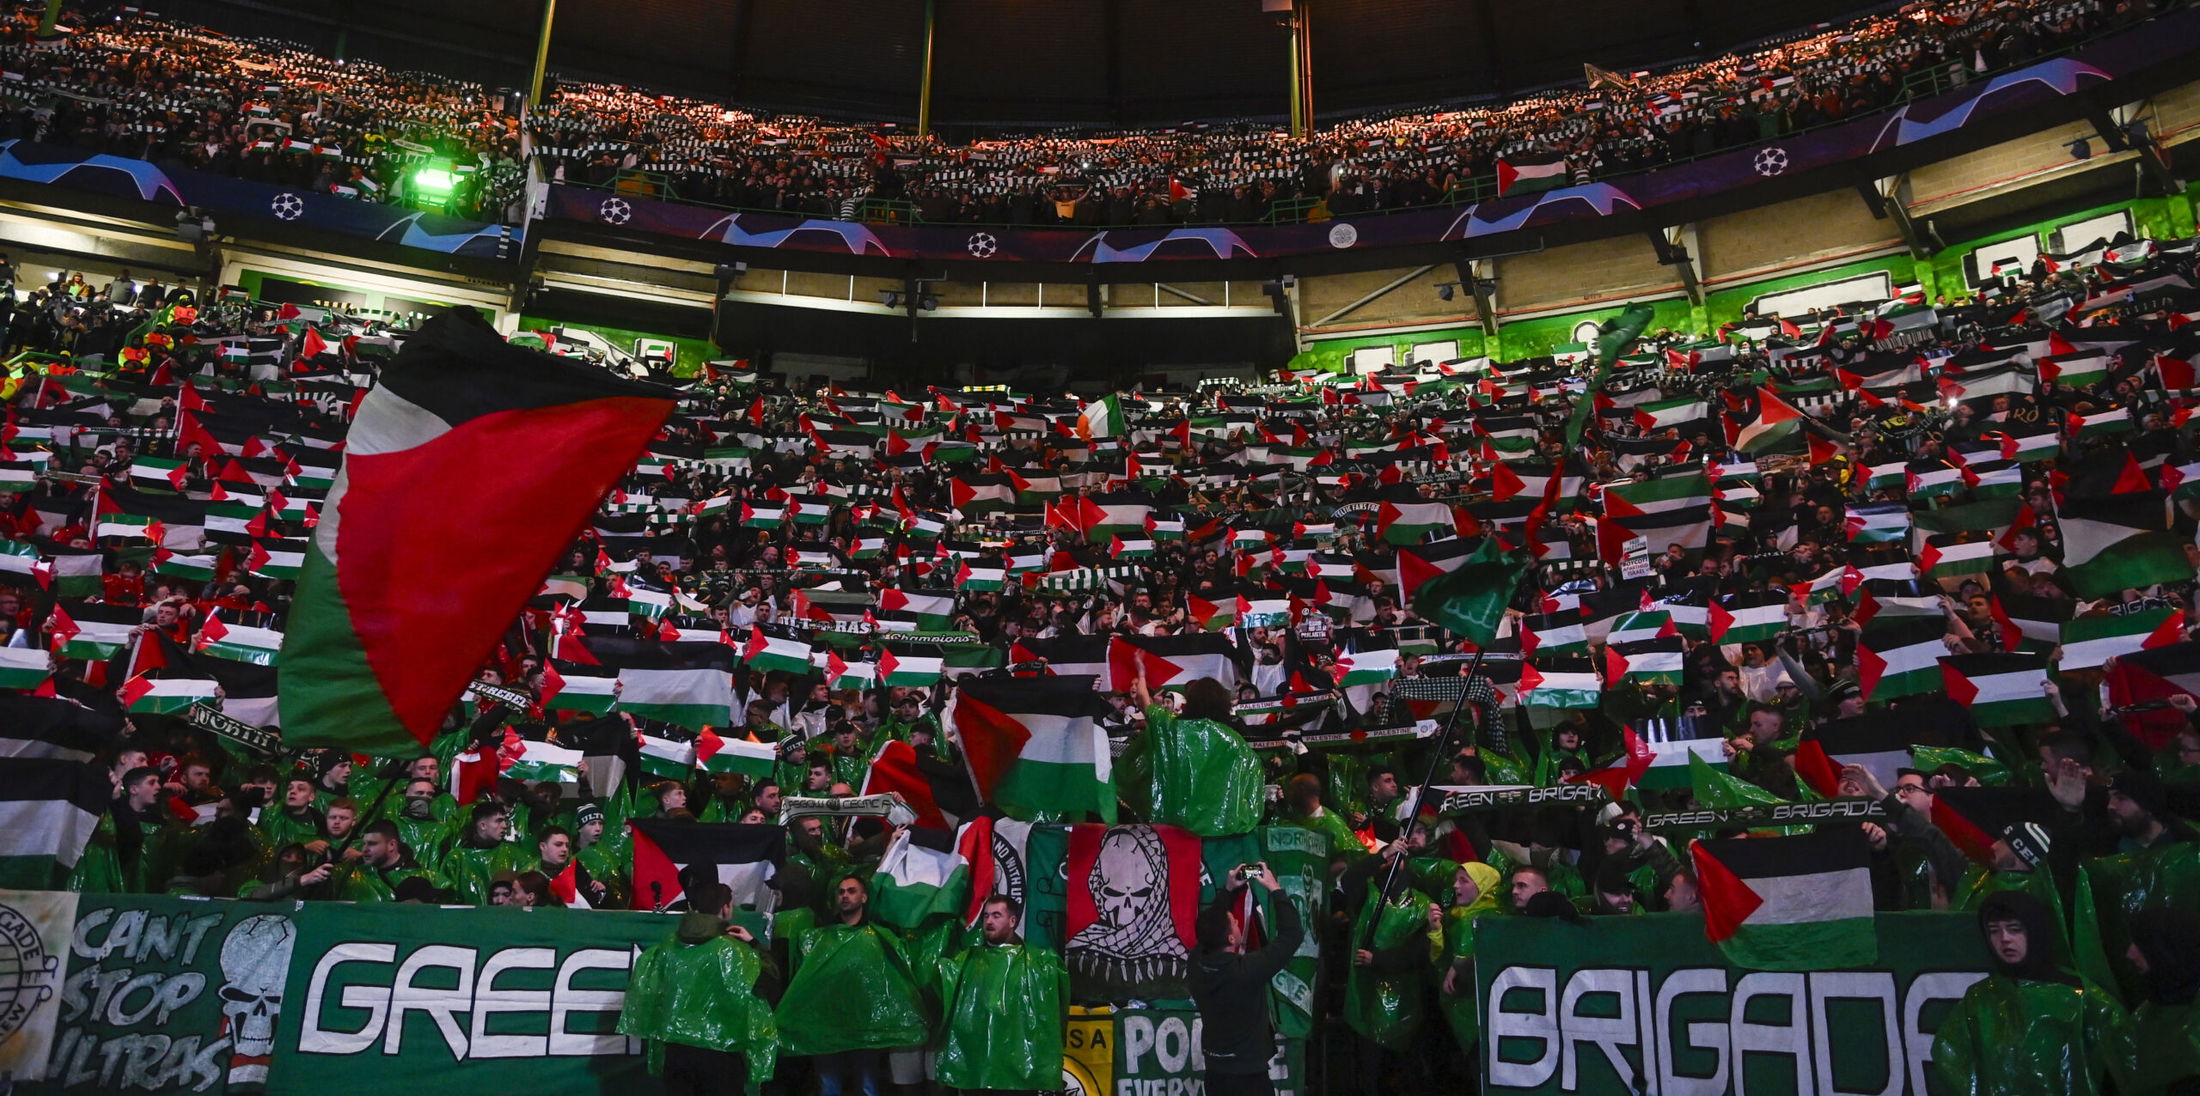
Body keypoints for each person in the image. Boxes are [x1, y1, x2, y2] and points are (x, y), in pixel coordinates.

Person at [1930, 891, 2136, 1096]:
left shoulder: (2079, 995)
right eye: (1994, 930)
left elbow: (2125, 1054)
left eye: (2014, 929)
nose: (2004, 939)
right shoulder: (1980, 998)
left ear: (2035, 931)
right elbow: (1949, 1054)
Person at [773, 874, 931, 1096]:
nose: (845, 896)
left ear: (864, 897)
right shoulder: (821, 938)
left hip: (864, 1028)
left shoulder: (877, 937)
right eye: (841, 891)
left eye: (851, 891)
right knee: (830, 1087)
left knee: (867, 1086)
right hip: (827, 1026)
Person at [618, 881, 780, 1096]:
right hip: (721, 1055)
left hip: (676, 1052)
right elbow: (771, 981)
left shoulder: (668, 946)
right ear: (725, 908)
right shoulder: (735, 952)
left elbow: (649, 990)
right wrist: (753, 944)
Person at [935, 895, 1068, 1094]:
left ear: (1012, 921)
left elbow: (1056, 1011)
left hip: (1020, 1071)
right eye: (986, 916)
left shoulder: (1040, 964)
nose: (989, 921)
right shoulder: (965, 961)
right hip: (976, 1069)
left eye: (997, 915)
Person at [1190, 862, 1303, 1096]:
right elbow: (1292, 934)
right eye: (1234, 923)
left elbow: (1210, 929)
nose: (1238, 922)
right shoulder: (1247, 971)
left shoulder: (1196, 963)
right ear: (1231, 939)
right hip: (1249, 1079)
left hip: (1216, 1076)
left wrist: (1229, 889)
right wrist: (1274, 888)